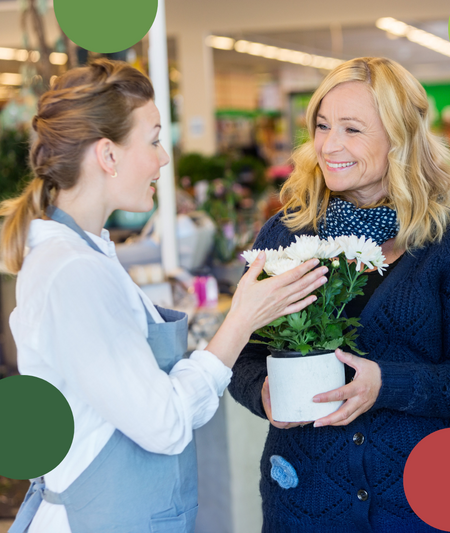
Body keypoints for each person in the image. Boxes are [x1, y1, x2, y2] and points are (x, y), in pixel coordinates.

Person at [0, 59, 329, 533]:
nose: (164, 157)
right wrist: (241, 321)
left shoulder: (89, 255)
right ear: (108, 156)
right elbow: (164, 422)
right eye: (153, 140)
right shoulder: (72, 272)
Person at [228, 57, 450, 533]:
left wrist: (384, 385)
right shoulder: (285, 234)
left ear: (399, 139)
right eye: (322, 126)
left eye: (352, 130)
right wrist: (261, 390)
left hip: (432, 499)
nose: (329, 146)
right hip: (309, 502)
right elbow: (240, 353)